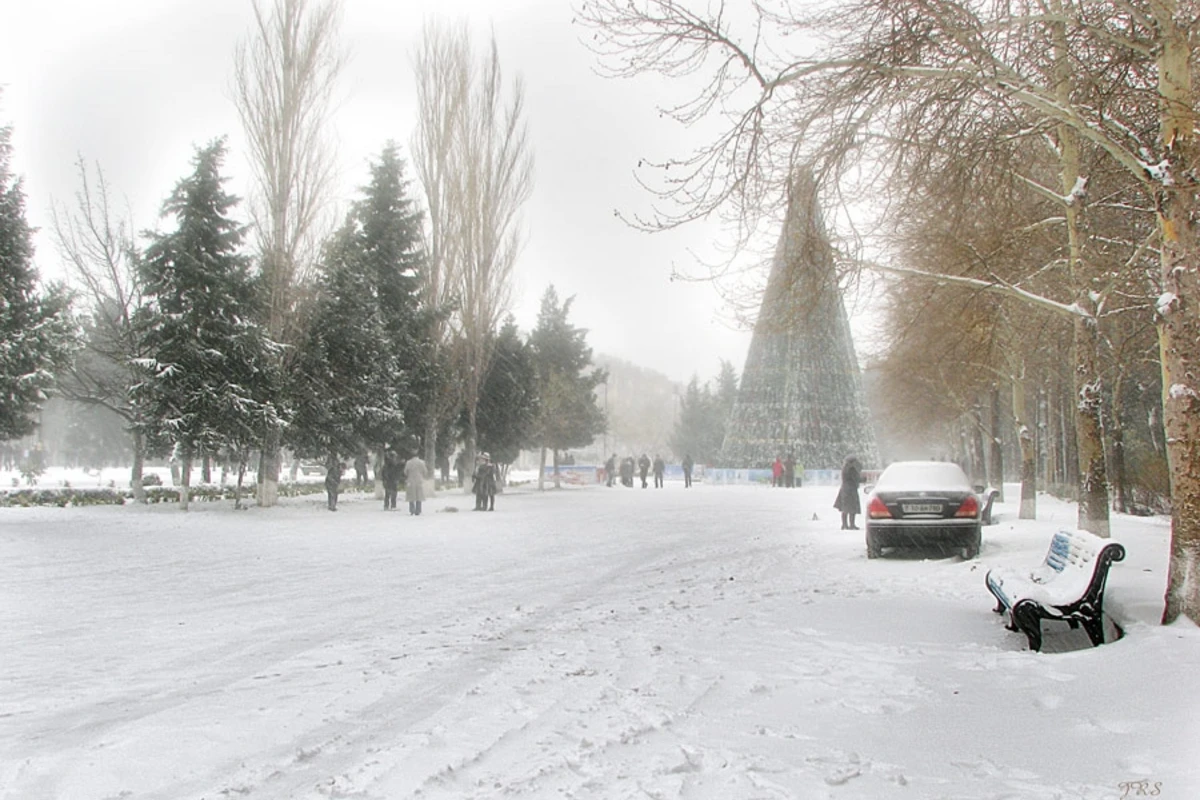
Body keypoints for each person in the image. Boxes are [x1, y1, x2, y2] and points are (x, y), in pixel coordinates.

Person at [834, 455, 864, 530]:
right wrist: (863, 479)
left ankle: (844, 524)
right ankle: (852, 524)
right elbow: (856, 479)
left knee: (845, 508)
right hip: (851, 490)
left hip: (844, 489)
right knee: (852, 508)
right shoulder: (852, 469)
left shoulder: (844, 468)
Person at [405, 450, 428, 516]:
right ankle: (418, 510)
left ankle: (412, 510)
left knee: (411, 496)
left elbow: (405, 472)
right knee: (419, 495)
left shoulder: (408, 462)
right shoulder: (422, 462)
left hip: (411, 481)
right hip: (419, 480)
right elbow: (425, 471)